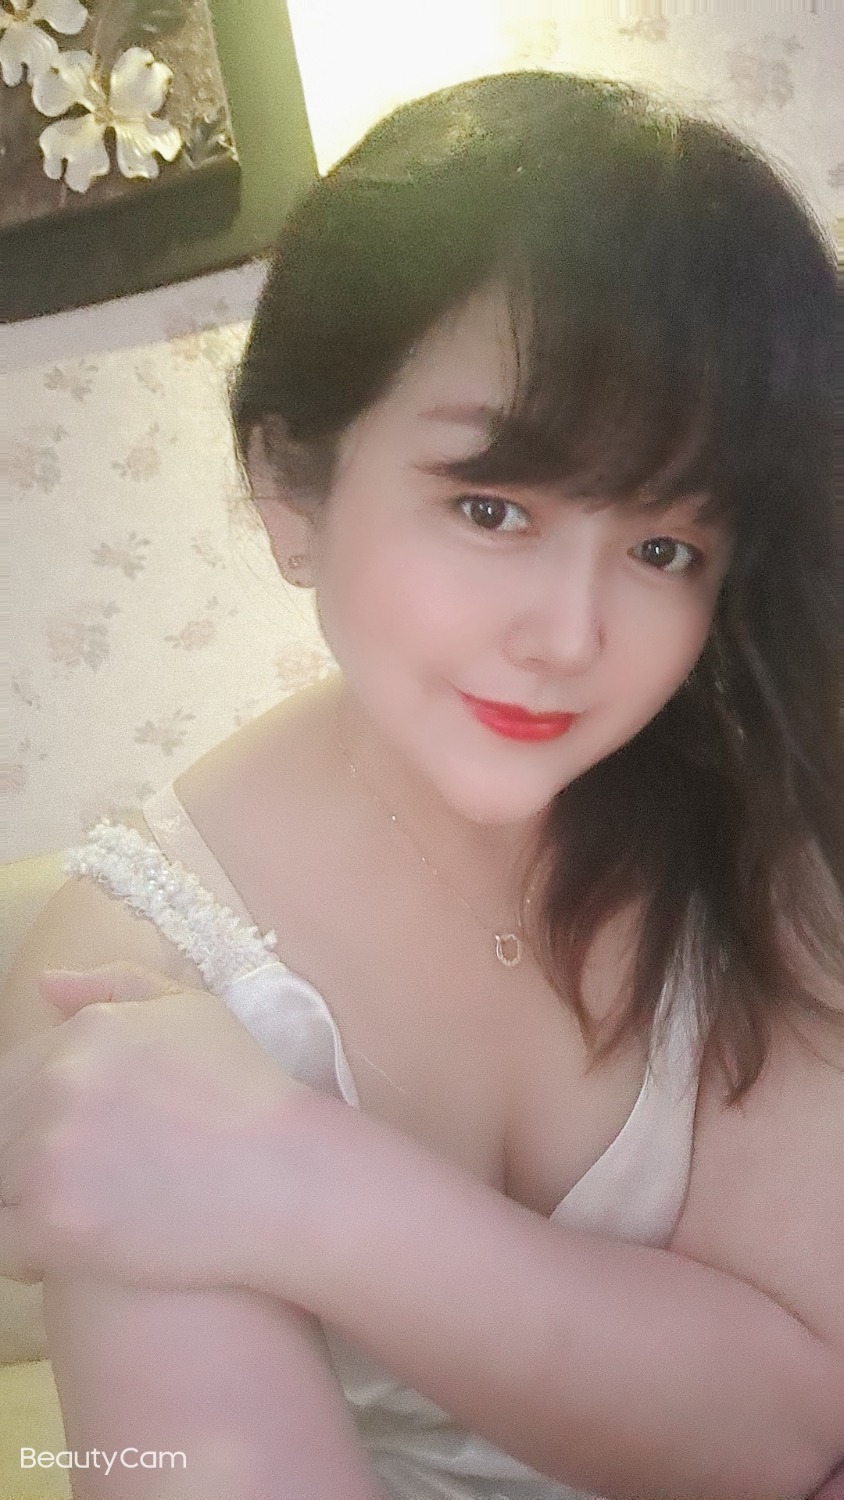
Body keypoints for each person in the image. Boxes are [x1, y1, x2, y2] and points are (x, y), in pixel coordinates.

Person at [1, 70, 843, 1500]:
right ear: (292, 486)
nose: (570, 638)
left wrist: (298, 1182)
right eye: (491, 505)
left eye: (664, 548)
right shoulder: (133, 983)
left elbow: (789, 1421)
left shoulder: (752, 819)